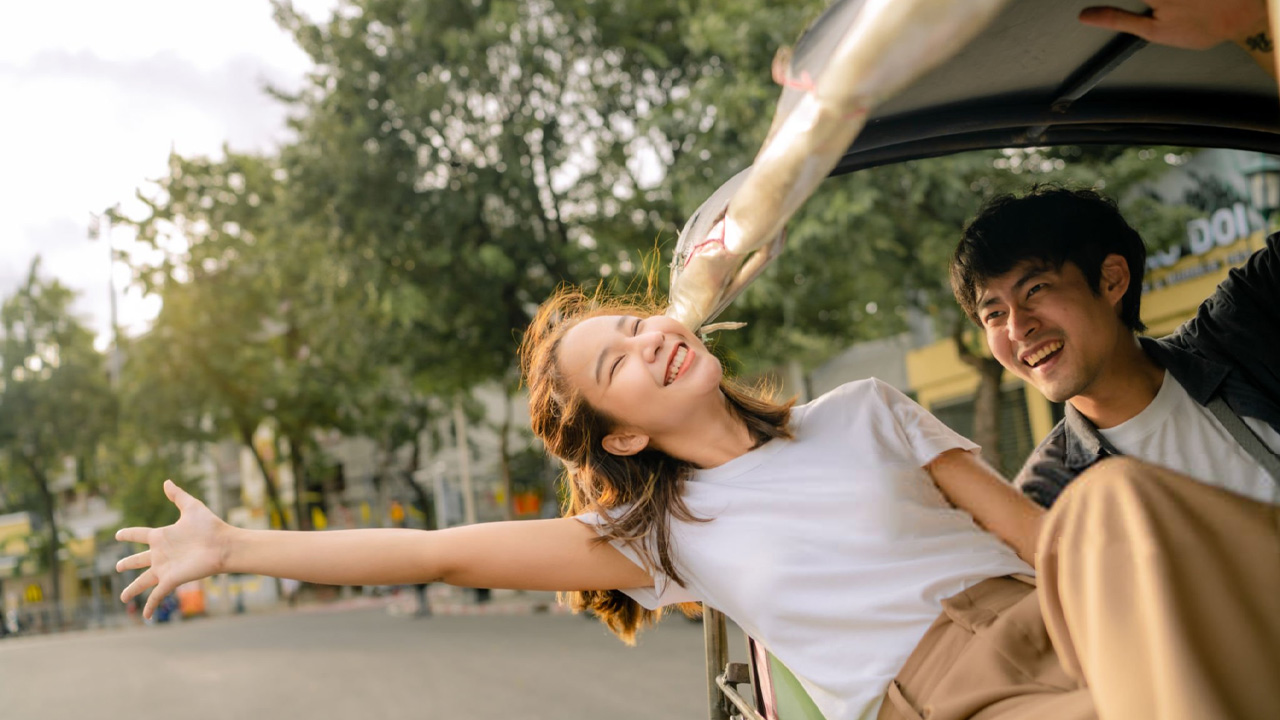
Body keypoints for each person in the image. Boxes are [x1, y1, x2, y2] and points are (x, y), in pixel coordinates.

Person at [117, 284, 1279, 719]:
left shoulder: (866, 408)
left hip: (1067, 614)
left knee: (1116, 507)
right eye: (617, 362)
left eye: (639, 323)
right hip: (954, 699)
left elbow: (1048, 540)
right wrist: (232, 542)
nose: (650, 342)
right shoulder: (657, 536)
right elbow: (429, 546)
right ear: (619, 431)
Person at [950, 186, 1280, 507]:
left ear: (1112, 279)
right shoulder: (1047, 498)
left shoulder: (1242, 329)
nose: (1018, 328)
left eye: (1035, 289)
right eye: (994, 314)